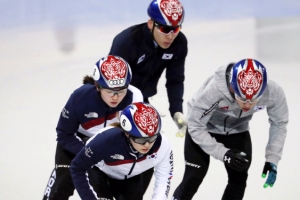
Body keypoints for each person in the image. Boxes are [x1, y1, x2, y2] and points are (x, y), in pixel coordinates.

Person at [172, 58, 289, 200]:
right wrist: (224, 153)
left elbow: (279, 123)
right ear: (233, 88)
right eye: (242, 98)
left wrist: (273, 159)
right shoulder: (215, 90)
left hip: (236, 128)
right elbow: (196, 126)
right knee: (194, 176)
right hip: (203, 126)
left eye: (253, 100)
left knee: (239, 178)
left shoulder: (273, 92)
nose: (247, 105)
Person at [42, 55, 143, 200]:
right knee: (60, 186)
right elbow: (64, 134)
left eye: (121, 91)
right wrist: (88, 152)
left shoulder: (134, 98)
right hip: (77, 141)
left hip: (109, 145)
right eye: (109, 91)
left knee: (107, 193)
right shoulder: (80, 97)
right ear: (98, 87)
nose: (115, 97)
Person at [108, 0, 188, 138]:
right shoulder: (127, 42)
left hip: (142, 97)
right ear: (151, 24)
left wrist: (176, 111)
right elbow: (113, 84)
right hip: (115, 98)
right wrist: (136, 110)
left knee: (149, 143)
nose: (170, 36)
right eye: (165, 29)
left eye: (175, 29)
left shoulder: (179, 43)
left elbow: (175, 80)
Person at [70, 102, 174, 200]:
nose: (147, 144)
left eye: (151, 138)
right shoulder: (106, 140)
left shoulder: (162, 145)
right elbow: (77, 168)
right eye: (140, 139)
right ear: (127, 133)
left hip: (130, 178)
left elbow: (164, 178)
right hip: (100, 172)